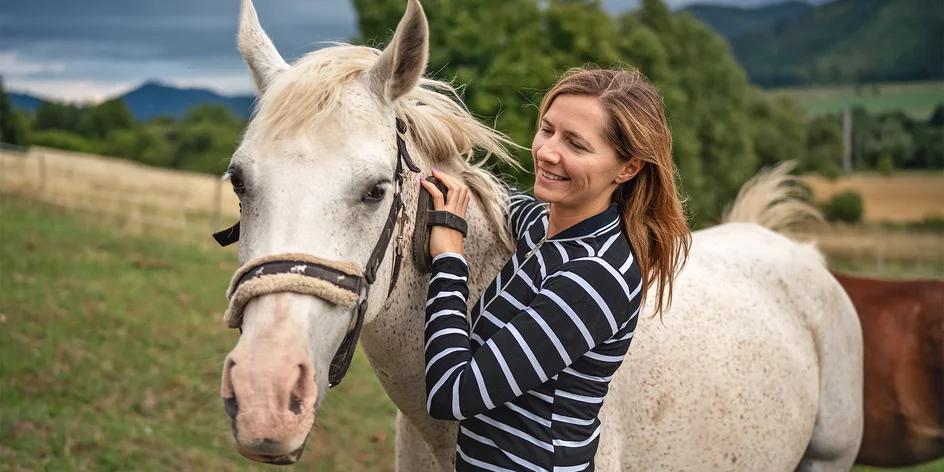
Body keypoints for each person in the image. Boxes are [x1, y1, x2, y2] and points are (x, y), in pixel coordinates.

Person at [419, 66, 692, 471]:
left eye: (576, 145)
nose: (547, 152)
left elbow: (450, 395)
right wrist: (445, 166)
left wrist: (449, 259)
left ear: (627, 168)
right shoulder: (547, 228)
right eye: (547, 130)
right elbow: (506, 201)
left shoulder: (595, 277)